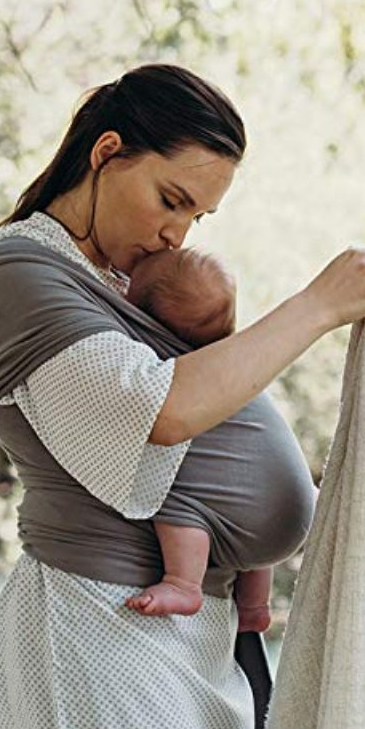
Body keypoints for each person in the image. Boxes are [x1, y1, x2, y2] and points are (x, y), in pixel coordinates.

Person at [0, 63, 365, 729]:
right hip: (98, 621)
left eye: (197, 216)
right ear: (106, 154)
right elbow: (160, 411)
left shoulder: (122, 282)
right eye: (170, 199)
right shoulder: (20, 279)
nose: (178, 234)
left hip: (191, 628)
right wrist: (320, 305)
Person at [122, 246, 273, 632]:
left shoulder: (173, 373)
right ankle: (255, 605)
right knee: (250, 495)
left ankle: (183, 584)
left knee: (170, 487)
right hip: (287, 506)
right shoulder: (241, 370)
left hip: (244, 520)